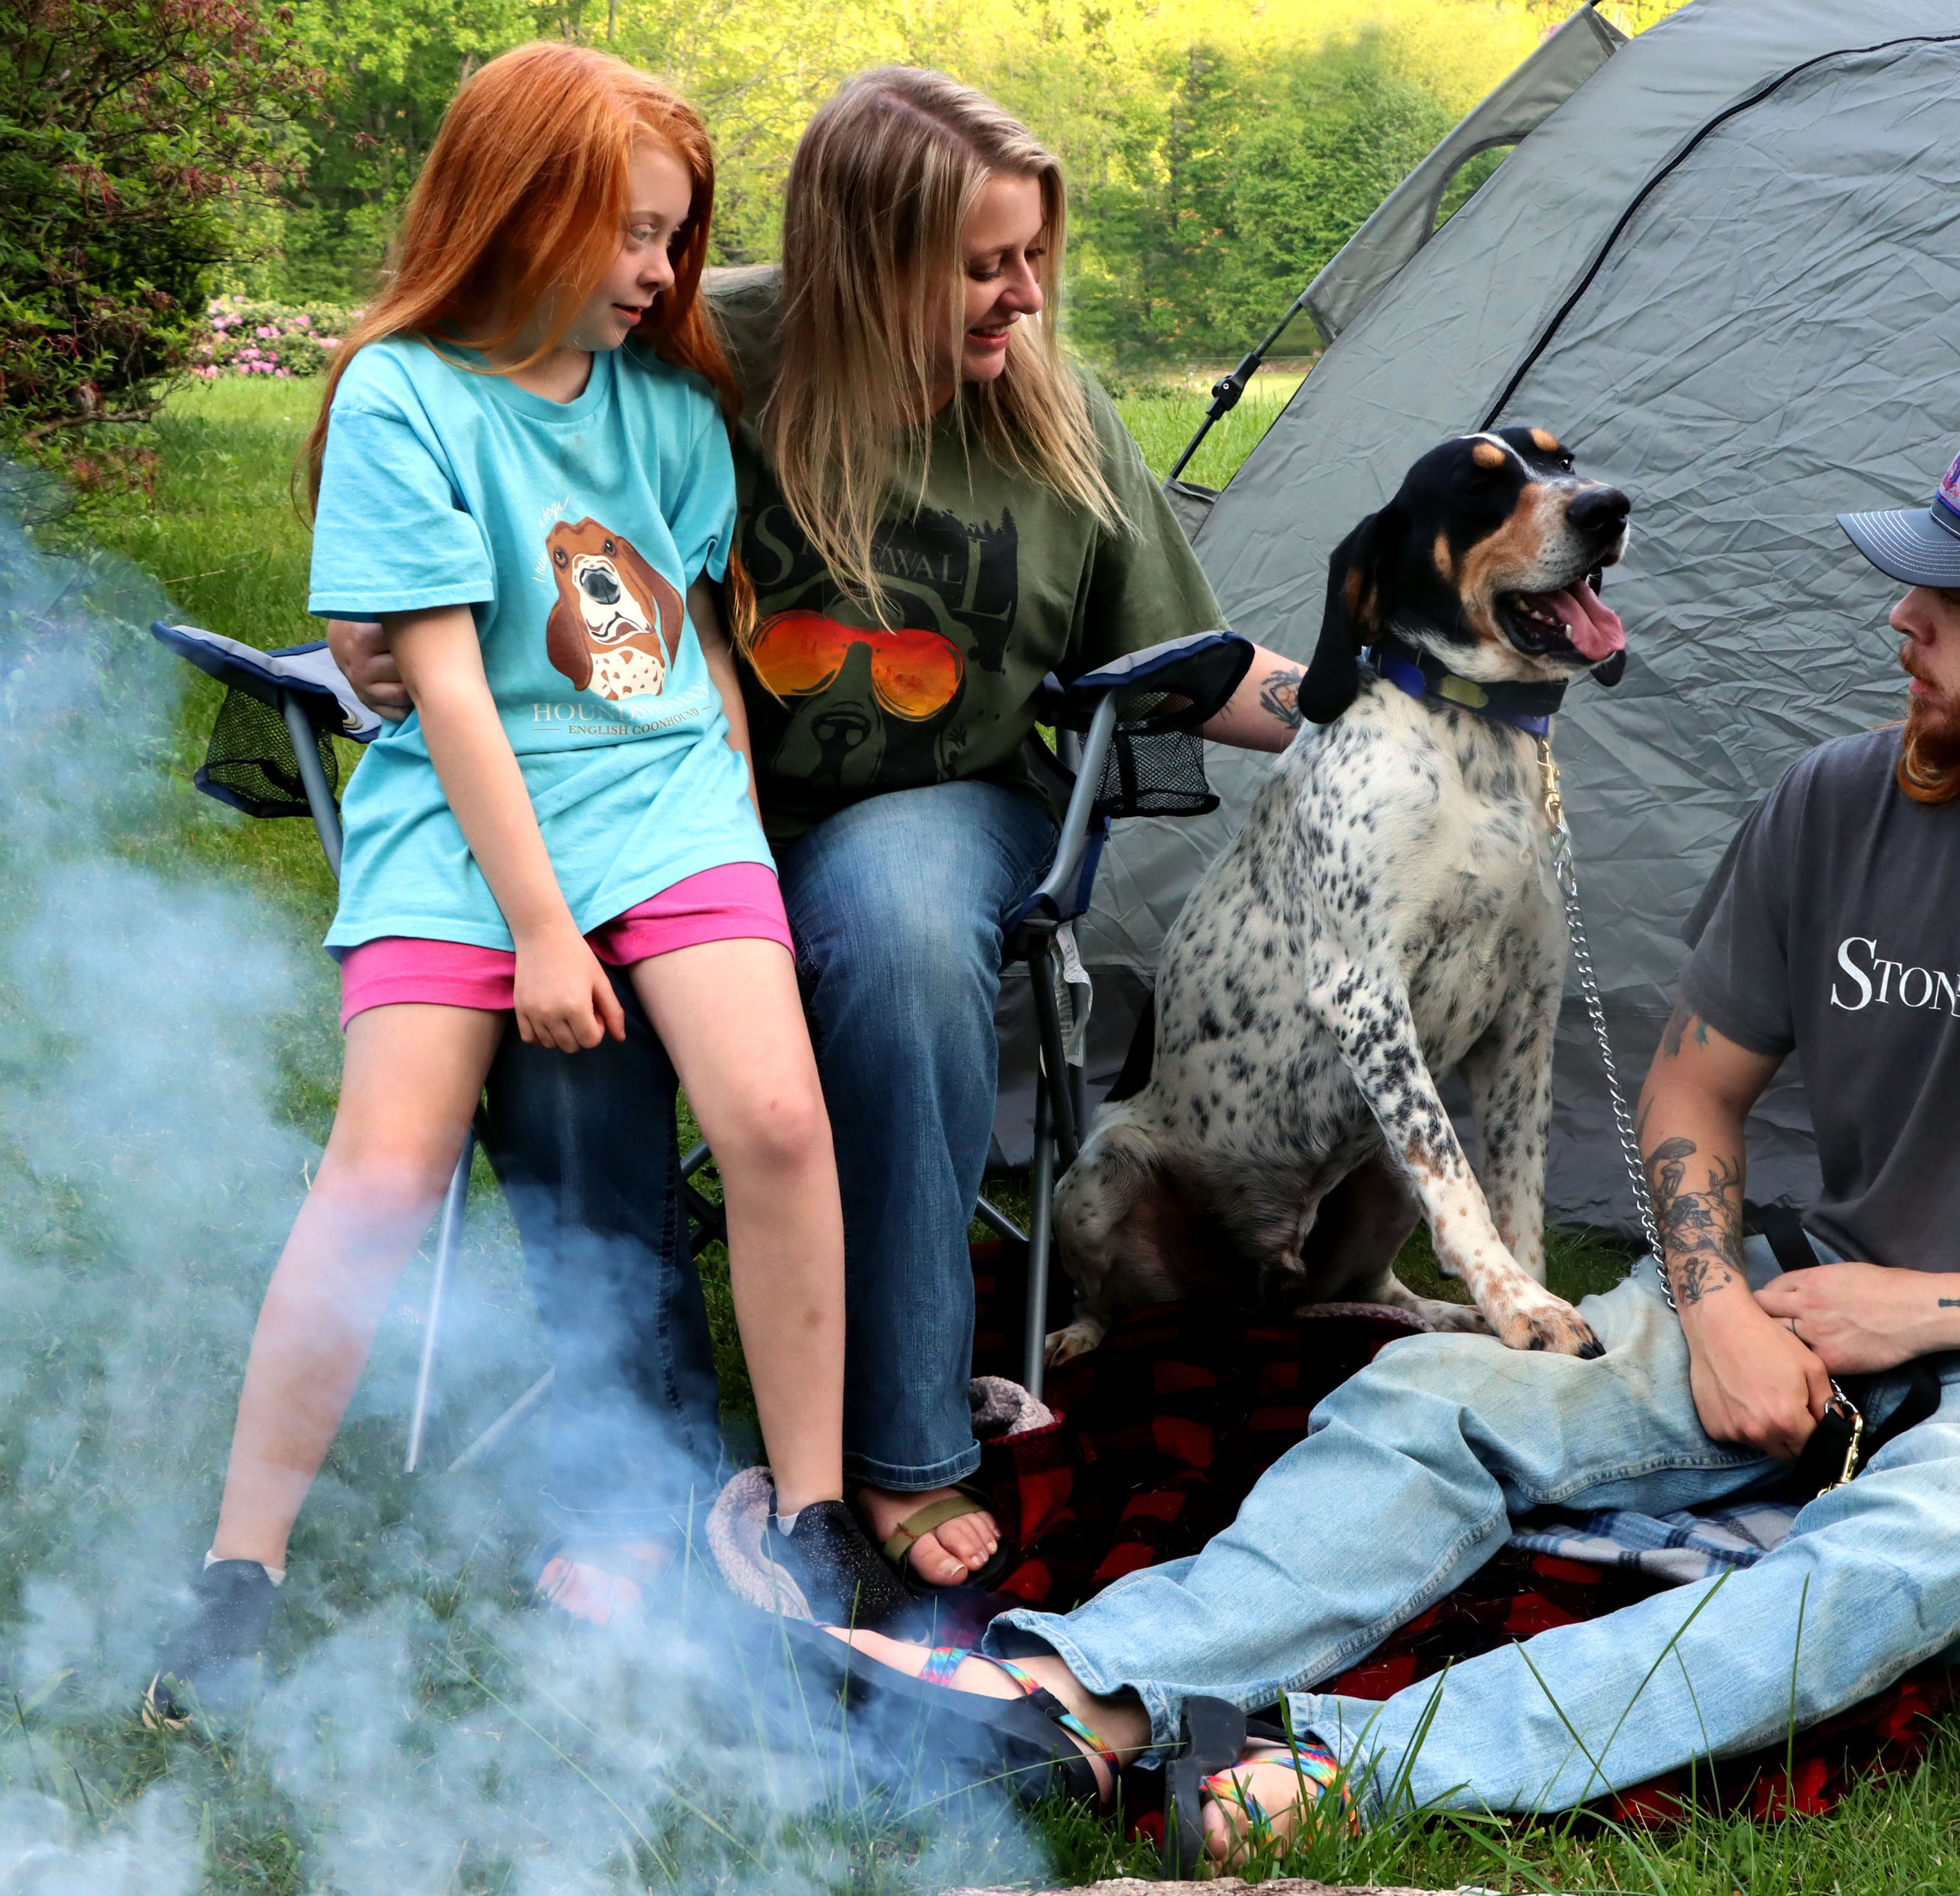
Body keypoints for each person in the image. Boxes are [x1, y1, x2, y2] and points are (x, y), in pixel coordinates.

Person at [824, 402, 1960, 1863]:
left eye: (1949, 600)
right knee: (1427, 1390)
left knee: (1906, 1558)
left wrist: (1930, 1311)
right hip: (1806, 1299)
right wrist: (1718, 1300)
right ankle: (1089, 1684)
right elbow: (1692, 1089)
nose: (1900, 618)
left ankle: (1341, 1770)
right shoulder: (1840, 800)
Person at [338, 67, 1306, 1616]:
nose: (1025, 295)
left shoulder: (1054, 412)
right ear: (864, 259)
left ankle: (904, 1446)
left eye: (1035, 254)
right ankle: (636, 1462)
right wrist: (379, 646)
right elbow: (474, 442)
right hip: (662, 803)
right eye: (984, 265)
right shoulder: (702, 353)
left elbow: (1190, 660)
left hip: (943, 796)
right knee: (570, 998)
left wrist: (1380, 701)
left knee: (900, 919)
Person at [149, 44, 900, 1718]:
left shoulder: (666, 408)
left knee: (776, 1119)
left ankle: (810, 1511)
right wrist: (544, 932)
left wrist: (728, 826)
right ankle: (242, 1561)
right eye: (631, 234)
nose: (656, 273)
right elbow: (450, 685)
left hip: (663, 803)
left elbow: (699, 642)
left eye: (673, 241)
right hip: (465, 821)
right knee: (383, 1172)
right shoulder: (405, 397)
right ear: (522, 209)